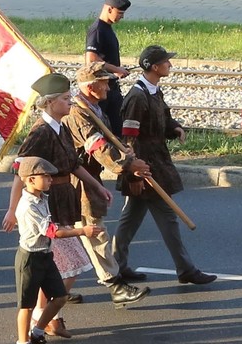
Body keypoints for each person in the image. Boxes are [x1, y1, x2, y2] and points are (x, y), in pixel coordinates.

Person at [1, 73, 108, 338]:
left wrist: (97, 185)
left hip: (62, 197)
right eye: (64, 98)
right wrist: (12, 210)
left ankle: (49, 316)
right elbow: (21, 171)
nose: (70, 100)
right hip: (48, 205)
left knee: (56, 266)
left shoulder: (62, 127)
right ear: (49, 103)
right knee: (70, 262)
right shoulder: (40, 132)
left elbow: (73, 164)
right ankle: (44, 316)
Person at [113, 45, 216, 286]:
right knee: (167, 217)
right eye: (166, 62)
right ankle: (186, 269)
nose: (170, 64)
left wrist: (175, 127)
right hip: (146, 167)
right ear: (155, 67)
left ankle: (116, 266)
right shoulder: (137, 97)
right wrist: (135, 175)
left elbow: (163, 118)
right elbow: (129, 138)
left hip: (155, 162)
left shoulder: (153, 91)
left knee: (130, 219)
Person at [61, 62, 151, 307]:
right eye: (105, 82)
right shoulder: (78, 113)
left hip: (86, 175)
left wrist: (127, 156)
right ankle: (115, 285)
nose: (109, 87)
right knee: (94, 230)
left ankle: (54, 288)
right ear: (91, 87)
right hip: (75, 180)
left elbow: (106, 142)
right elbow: (98, 148)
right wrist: (128, 166)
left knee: (65, 236)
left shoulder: (92, 108)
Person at [13, 156, 104, 344]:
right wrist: (82, 231)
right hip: (30, 259)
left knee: (60, 297)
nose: (51, 180)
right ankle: (23, 341)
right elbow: (52, 231)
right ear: (31, 179)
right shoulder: (28, 206)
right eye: (46, 176)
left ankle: (38, 331)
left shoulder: (42, 197)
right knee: (26, 306)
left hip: (46, 256)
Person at [85, 0, 131, 136]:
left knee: (118, 127)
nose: (122, 17)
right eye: (120, 13)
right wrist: (116, 69)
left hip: (111, 87)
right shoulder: (97, 29)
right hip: (102, 89)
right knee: (106, 129)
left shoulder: (107, 28)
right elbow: (91, 59)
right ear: (110, 9)